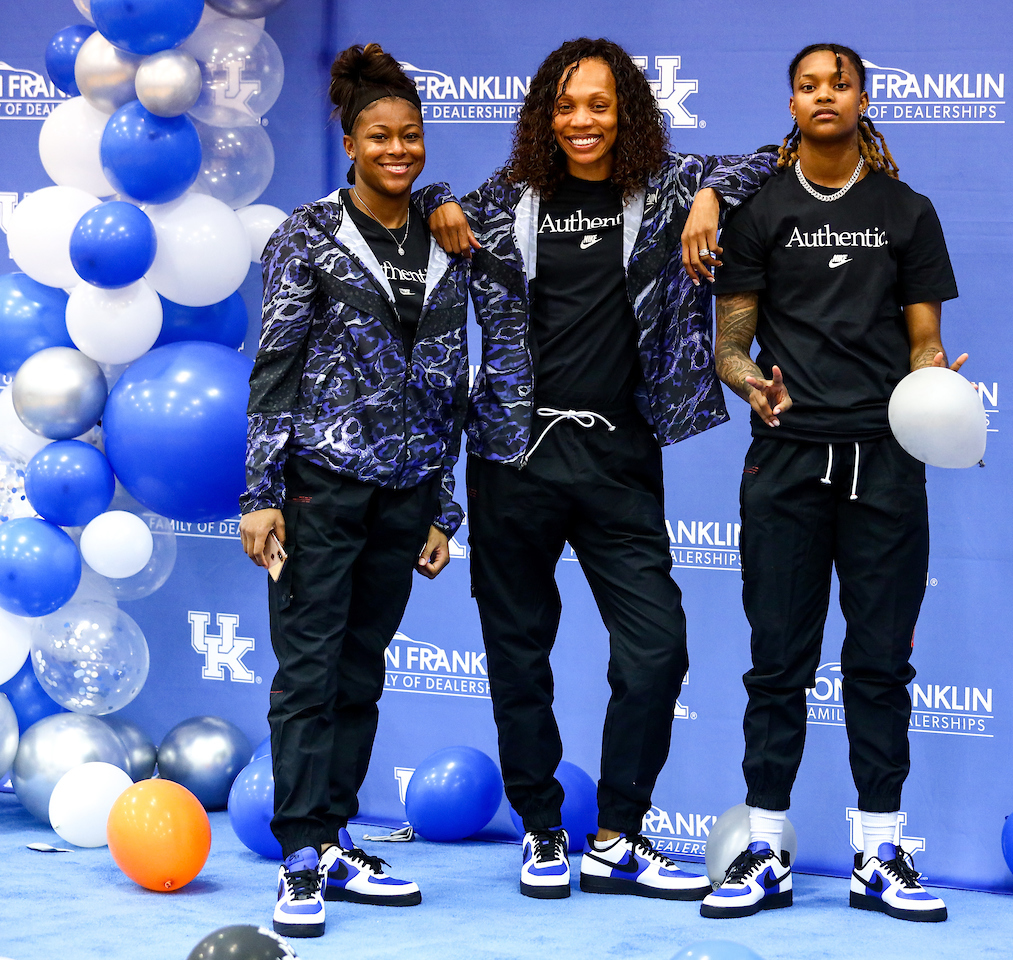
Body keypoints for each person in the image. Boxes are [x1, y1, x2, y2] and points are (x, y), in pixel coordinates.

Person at [451, 37, 775, 902]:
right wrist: (442, 206)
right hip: (511, 457)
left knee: (656, 650)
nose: (581, 121)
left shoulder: (663, 189)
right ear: (543, 117)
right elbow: (428, 207)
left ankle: (618, 833)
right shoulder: (503, 199)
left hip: (616, 452)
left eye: (599, 105)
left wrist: (708, 194)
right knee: (518, 653)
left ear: (626, 111)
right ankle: (542, 831)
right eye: (566, 105)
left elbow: (770, 159)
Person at [701, 43, 962, 923]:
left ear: (861, 98)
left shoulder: (907, 210)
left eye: (838, 84)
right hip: (786, 459)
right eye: (808, 85)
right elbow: (730, 341)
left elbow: (923, 337)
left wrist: (935, 381)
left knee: (880, 664)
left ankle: (879, 855)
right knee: (778, 661)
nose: (824, 96)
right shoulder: (760, 212)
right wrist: (747, 379)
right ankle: (765, 851)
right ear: (793, 101)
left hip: (885, 462)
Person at [238, 43, 469, 938]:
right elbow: (276, 365)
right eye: (381, 136)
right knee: (308, 673)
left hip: (405, 491)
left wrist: (442, 503)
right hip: (318, 489)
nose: (398, 150)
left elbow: (449, 372)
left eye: (411, 136)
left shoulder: (447, 233)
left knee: (361, 671)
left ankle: (333, 838)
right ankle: (298, 859)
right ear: (349, 141)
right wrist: (261, 491)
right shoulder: (308, 233)